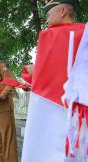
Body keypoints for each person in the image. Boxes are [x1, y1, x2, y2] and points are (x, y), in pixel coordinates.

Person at [21, 1, 87, 162]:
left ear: (63, 10)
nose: (47, 17)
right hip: (60, 107)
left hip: (64, 110)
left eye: (50, 12)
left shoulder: (78, 34)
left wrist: (36, 72)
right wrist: (34, 80)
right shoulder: (82, 33)